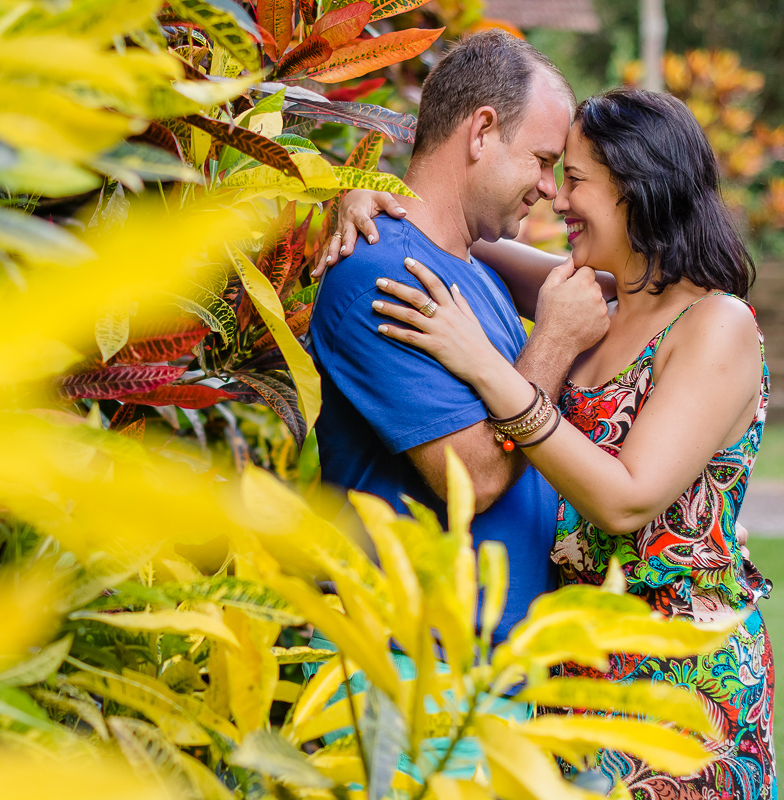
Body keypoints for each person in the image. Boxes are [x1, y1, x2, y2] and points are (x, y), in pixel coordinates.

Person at [336, 88, 776, 798]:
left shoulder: (712, 324)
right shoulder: (597, 298)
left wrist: (485, 364)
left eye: (573, 180)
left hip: (674, 674)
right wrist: (366, 194)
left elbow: (627, 501)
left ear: (637, 187)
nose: (556, 200)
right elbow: (455, 225)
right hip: (566, 665)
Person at [304, 29, 610, 780]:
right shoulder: (384, 272)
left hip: (479, 679)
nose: (550, 189)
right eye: (542, 162)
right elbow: (471, 478)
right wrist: (553, 345)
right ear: (480, 131)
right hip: (406, 677)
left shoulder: (468, 268)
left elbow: (636, 283)